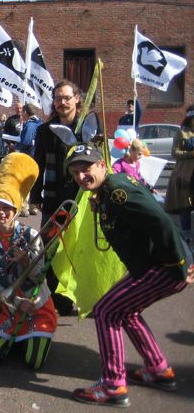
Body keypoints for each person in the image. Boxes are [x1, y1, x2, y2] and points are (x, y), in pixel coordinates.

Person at [66, 143, 194, 408]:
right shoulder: (108, 190)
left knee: (105, 311)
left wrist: (180, 264)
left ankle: (113, 385)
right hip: (152, 265)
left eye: (86, 168)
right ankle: (158, 369)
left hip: (166, 266)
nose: (81, 176)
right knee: (126, 311)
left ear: (102, 165)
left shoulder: (116, 191)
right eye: (75, 172)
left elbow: (161, 220)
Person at [0, 153, 57, 369]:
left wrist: (25, 261)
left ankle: (31, 340)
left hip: (36, 306)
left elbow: (40, 276)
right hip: (9, 308)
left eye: (6, 208)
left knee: (34, 363)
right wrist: (13, 302)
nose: (1, 213)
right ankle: (14, 341)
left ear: (15, 210)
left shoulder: (30, 235)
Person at [30, 80, 100, 315]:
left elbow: (101, 162)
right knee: (51, 248)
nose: (62, 102)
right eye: (58, 98)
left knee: (82, 248)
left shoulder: (88, 128)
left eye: (66, 97)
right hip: (54, 197)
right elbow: (37, 163)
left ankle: (86, 296)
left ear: (77, 99)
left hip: (84, 198)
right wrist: (35, 193)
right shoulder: (44, 131)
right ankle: (55, 299)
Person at [165, 105, 194, 243]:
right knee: (185, 206)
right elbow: (174, 153)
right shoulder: (181, 134)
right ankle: (186, 236)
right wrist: (190, 153)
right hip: (185, 175)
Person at [16, 103, 42, 216]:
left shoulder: (30, 125)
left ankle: (24, 208)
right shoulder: (40, 123)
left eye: (23, 112)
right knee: (34, 181)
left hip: (28, 156)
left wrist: (17, 148)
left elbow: (26, 141)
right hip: (37, 157)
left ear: (26, 112)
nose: (21, 114)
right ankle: (33, 207)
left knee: (26, 182)